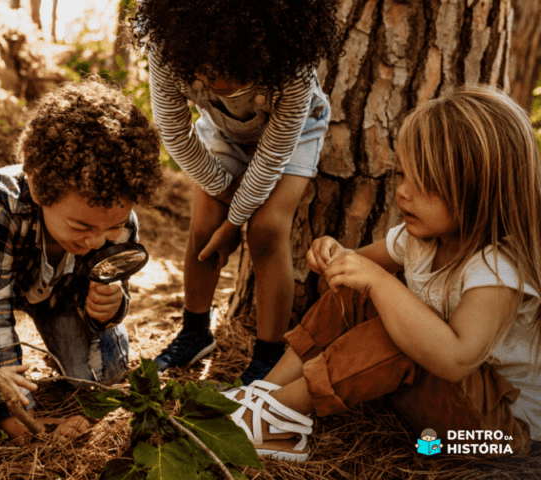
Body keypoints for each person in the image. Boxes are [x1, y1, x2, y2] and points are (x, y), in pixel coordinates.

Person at [221, 85, 541, 461]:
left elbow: (456, 359)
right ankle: (266, 392)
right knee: (357, 291)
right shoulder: (421, 238)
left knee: (395, 329)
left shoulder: (497, 271)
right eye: (403, 175)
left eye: (425, 185)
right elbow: (356, 265)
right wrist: (335, 254)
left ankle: (277, 418)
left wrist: (379, 281)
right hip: (443, 402)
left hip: (499, 434)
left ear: (481, 192)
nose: (403, 193)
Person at [0, 76, 163, 441]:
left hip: (60, 296)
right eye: (81, 225)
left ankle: (63, 356)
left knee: (104, 375)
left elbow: (115, 284)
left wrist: (109, 307)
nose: (96, 240)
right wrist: (10, 403)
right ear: (37, 188)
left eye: (110, 227)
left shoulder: (116, 219)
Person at [130, 0, 342, 384]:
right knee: (203, 228)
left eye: (233, 72)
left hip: (293, 136)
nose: (218, 84)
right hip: (223, 132)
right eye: (207, 73)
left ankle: (268, 355)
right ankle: (194, 334)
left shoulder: (292, 64)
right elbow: (176, 135)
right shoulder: (168, 48)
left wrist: (236, 224)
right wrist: (227, 203)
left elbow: (275, 153)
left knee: (266, 231)